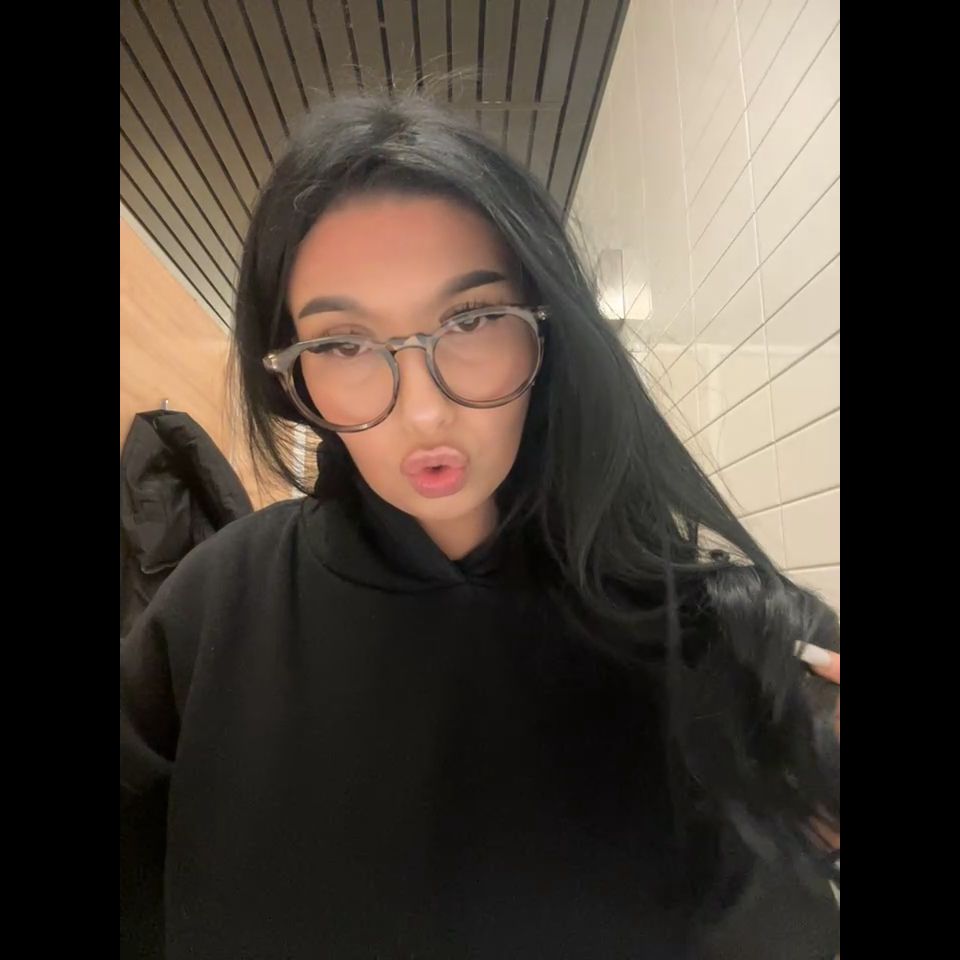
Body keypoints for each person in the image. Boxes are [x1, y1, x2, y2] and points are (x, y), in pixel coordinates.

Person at [120, 91, 840, 959]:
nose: (424, 410)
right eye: (343, 343)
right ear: (292, 376)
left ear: (546, 333)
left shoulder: (722, 644)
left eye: (470, 320)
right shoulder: (217, 611)